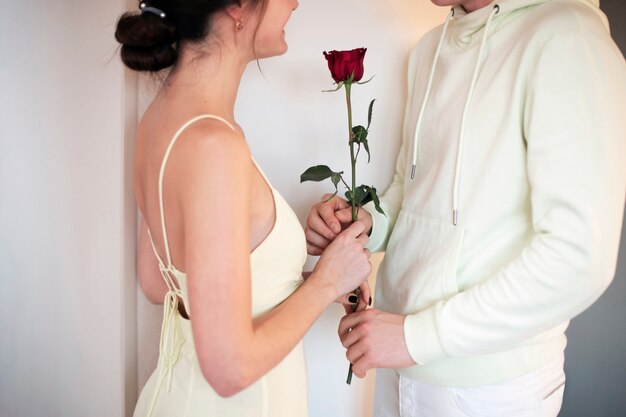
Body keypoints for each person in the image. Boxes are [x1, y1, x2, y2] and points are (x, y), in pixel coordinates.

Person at [305, 0, 626, 415]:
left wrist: (418, 338)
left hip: (490, 386)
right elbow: (413, 187)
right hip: (395, 354)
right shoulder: (428, 49)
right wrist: (364, 223)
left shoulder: (569, 37)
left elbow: (579, 257)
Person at [115, 1, 373, 416]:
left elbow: (159, 281)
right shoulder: (214, 145)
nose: (294, 3)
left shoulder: (161, 119)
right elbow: (229, 369)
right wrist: (324, 282)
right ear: (237, 8)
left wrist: (305, 280)